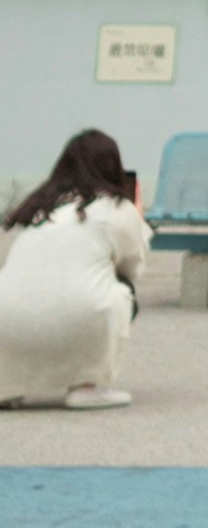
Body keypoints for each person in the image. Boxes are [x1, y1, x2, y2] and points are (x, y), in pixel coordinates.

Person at [0, 130, 149, 408]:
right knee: (122, 290)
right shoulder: (114, 208)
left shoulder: (37, 207)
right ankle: (86, 384)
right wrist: (136, 219)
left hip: (6, 320)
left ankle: (7, 387)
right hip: (78, 314)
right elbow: (133, 268)